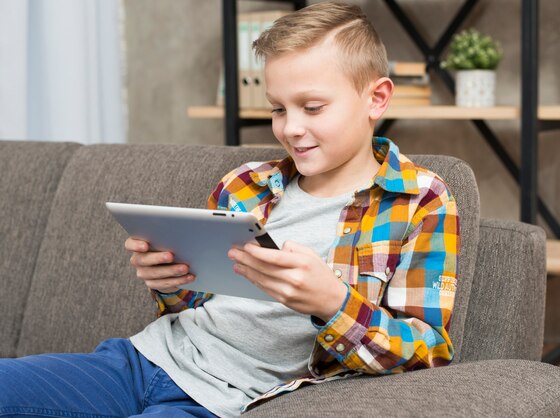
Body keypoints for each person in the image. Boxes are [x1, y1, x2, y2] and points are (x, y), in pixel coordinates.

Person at [0, 2, 459, 417]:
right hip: (142, 361)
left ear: (376, 98)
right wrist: (171, 282)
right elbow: (194, 306)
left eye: (313, 107)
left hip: (230, 397)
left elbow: (429, 350)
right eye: (278, 109)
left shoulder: (420, 200)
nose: (291, 128)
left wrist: (333, 303)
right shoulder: (245, 184)